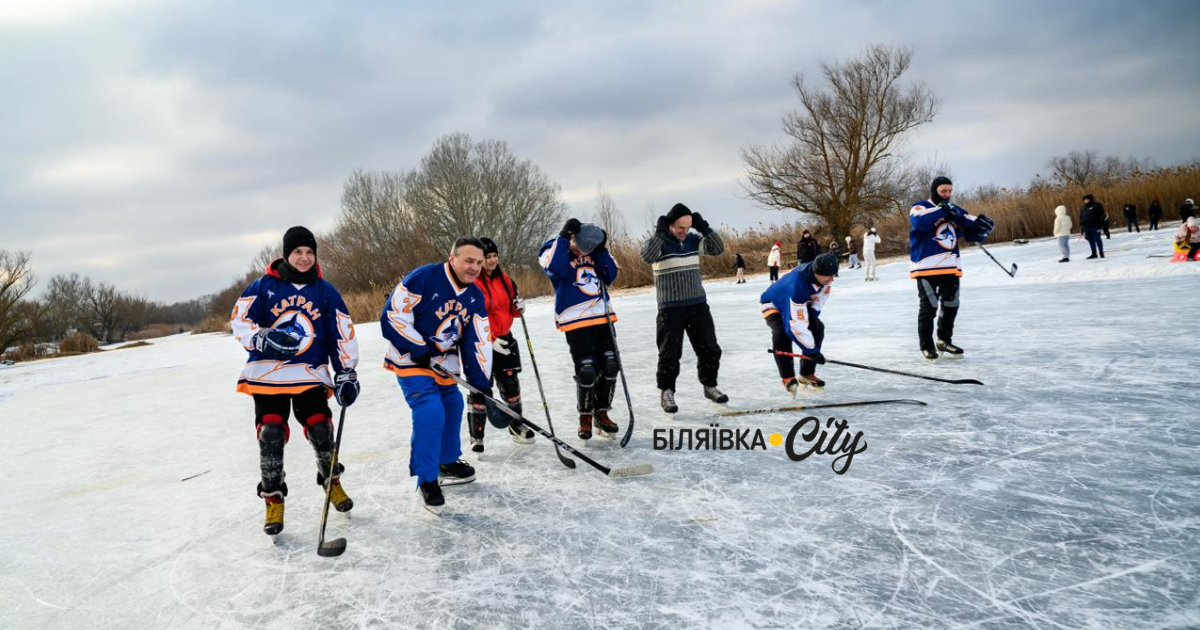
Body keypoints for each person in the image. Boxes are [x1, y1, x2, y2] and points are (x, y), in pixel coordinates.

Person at [230, 226, 361, 536]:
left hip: (308, 371)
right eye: (298, 252)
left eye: (309, 252)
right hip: (269, 373)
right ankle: (273, 499)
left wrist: (346, 371)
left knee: (321, 428)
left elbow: (341, 333)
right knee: (271, 433)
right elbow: (240, 320)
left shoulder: (325, 291)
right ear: (286, 254)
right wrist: (261, 337)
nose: (304, 258)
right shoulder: (264, 286)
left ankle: (332, 482)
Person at [381, 238, 493, 511]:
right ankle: (427, 478)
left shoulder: (475, 295)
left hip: (443, 361)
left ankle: (446, 461)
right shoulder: (423, 278)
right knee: (430, 410)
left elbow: (477, 340)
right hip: (411, 358)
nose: (475, 267)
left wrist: (480, 383)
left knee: (453, 404)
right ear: (452, 258)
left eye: (479, 263)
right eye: (469, 260)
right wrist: (416, 347)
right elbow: (393, 315)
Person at [640, 203, 728, 413]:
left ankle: (710, 385)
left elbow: (718, 249)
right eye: (681, 227)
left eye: (688, 227)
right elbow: (647, 257)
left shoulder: (693, 241)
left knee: (710, 349)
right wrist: (660, 234)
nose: (684, 231)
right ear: (670, 224)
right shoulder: (658, 243)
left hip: (697, 304)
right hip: (670, 309)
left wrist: (704, 227)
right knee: (669, 354)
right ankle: (667, 391)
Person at [539, 219, 621, 440]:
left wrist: (600, 249)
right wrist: (563, 239)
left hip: (602, 316)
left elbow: (610, 275)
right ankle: (585, 415)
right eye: (580, 247)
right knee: (587, 369)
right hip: (575, 319)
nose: (583, 252)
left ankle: (601, 412)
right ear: (572, 237)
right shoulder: (553, 247)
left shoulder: (596, 250)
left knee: (610, 364)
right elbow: (554, 270)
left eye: (588, 249)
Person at [909, 176, 995, 362]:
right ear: (934, 191)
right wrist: (943, 211)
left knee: (951, 304)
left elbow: (970, 225)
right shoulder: (920, 207)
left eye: (949, 191)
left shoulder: (955, 209)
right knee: (929, 307)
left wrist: (981, 229)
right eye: (943, 191)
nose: (947, 194)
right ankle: (927, 346)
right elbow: (919, 223)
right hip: (926, 266)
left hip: (950, 265)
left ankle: (944, 341)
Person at [467, 237, 533, 454]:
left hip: (505, 339)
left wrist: (519, 308)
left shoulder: (505, 280)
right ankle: (477, 436)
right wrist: (489, 339)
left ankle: (516, 425)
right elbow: (471, 317)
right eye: (488, 257)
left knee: (511, 384)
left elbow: (510, 309)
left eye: (495, 256)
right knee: (481, 389)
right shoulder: (473, 283)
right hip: (482, 342)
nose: (493, 260)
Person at [761, 253, 838, 394]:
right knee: (781, 333)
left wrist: (813, 313)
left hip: (798, 301)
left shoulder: (823, 274)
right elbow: (795, 325)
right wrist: (812, 351)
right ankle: (787, 377)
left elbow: (823, 295)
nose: (832, 279)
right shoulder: (797, 287)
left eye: (834, 275)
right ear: (816, 273)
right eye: (829, 276)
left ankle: (806, 373)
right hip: (773, 303)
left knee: (817, 327)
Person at [1080, 194, 1106, 259]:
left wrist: (1101, 221)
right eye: (1084, 200)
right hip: (1087, 227)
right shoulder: (1083, 208)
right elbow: (1081, 217)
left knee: (1097, 239)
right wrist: (1082, 227)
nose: (1085, 201)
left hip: (1096, 225)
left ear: (1090, 199)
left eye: (1087, 199)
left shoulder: (1096, 205)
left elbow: (1102, 214)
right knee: (1090, 239)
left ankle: (1101, 252)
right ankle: (1094, 253)